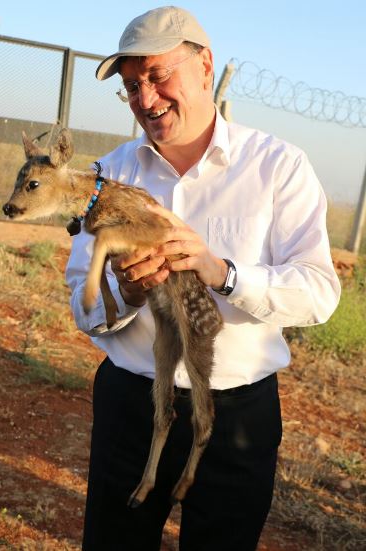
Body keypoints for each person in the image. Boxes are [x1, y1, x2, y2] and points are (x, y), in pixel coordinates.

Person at [65, 6, 341, 551]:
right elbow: (83, 307)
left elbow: (319, 291)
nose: (146, 100)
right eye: (131, 86)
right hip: (132, 407)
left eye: (159, 76)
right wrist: (127, 291)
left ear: (205, 65)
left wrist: (223, 274)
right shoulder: (110, 174)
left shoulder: (277, 167)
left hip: (237, 415)